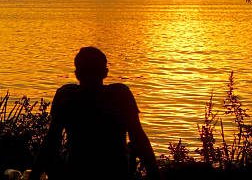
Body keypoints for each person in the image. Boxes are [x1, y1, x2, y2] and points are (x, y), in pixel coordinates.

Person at [29, 47, 161, 180]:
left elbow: (51, 142)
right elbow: (138, 138)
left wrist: (34, 176)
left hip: (77, 173)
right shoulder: (121, 96)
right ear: (105, 72)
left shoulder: (66, 97)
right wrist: (154, 174)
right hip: (116, 174)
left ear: (77, 73)